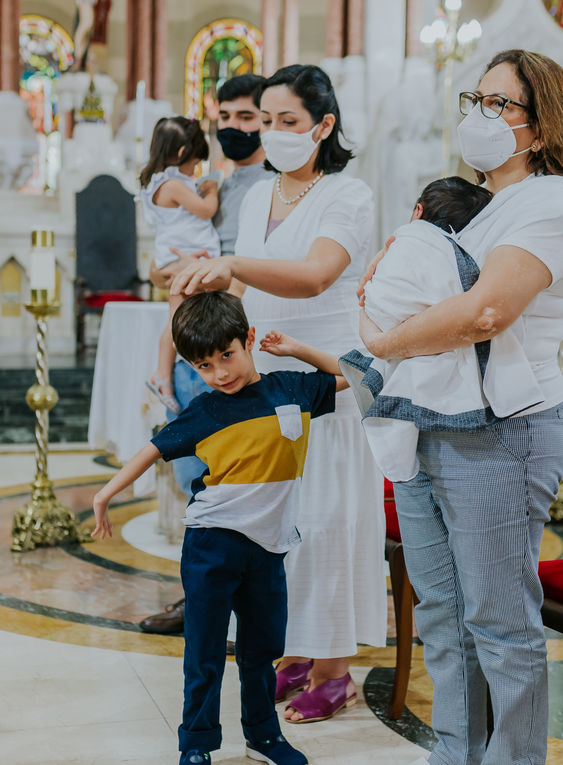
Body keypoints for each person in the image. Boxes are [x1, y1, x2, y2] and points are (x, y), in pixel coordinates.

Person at [358, 50, 563, 765]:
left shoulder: (553, 202)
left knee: (500, 620)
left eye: (502, 104)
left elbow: (485, 312)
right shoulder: (481, 202)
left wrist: (383, 338)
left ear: (541, 123)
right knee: (441, 601)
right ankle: (459, 751)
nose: (482, 115)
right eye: (478, 98)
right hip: (433, 419)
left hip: (502, 430)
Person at [171, 64, 386, 725]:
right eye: (267, 120)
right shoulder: (260, 192)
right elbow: (247, 286)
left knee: (326, 521)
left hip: (325, 377)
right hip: (267, 380)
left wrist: (232, 264)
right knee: (279, 527)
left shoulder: (349, 195)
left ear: (323, 126)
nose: (275, 132)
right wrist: (213, 315)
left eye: (289, 121)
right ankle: (297, 648)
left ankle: (334, 669)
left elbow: (317, 275)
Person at [90, 291, 346, 765]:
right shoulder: (204, 410)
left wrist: (297, 349)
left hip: (269, 547)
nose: (220, 373)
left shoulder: (293, 389)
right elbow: (150, 450)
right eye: (203, 365)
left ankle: (264, 736)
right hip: (212, 544)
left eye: (226, 356)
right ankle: (196, 745)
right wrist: (104, 494)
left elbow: (364, 373)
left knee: (262, 648)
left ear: (249, 340)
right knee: (204, 651)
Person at [140, 73, 269, 636]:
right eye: (227, 119)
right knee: (201, 480)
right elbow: (158, 266)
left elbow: (252, 269)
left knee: (232, 484)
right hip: (200, 345)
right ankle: (202, 602)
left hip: (229, 347)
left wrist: (216, 325)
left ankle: (231, 604)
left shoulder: (273, 185)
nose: (235, 128)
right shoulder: (209, 183)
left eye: (249, 118)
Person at [342, 176, 547, 483]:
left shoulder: (405, 243)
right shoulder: (456, 253)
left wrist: (376, 327)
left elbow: (379, 301)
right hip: (448, 383)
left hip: (388, 340)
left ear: (417, 211)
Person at [140, 115, 220, 413]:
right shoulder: (172, 184)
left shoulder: (160, 182)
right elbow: (204, 210)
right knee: (178, 324)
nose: (195, 170)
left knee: (180, 321)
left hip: (180, 258)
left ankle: (165, 376)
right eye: (196, 162)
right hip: (181, 260)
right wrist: (211, 190)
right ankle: (162, 377)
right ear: (183, 153)